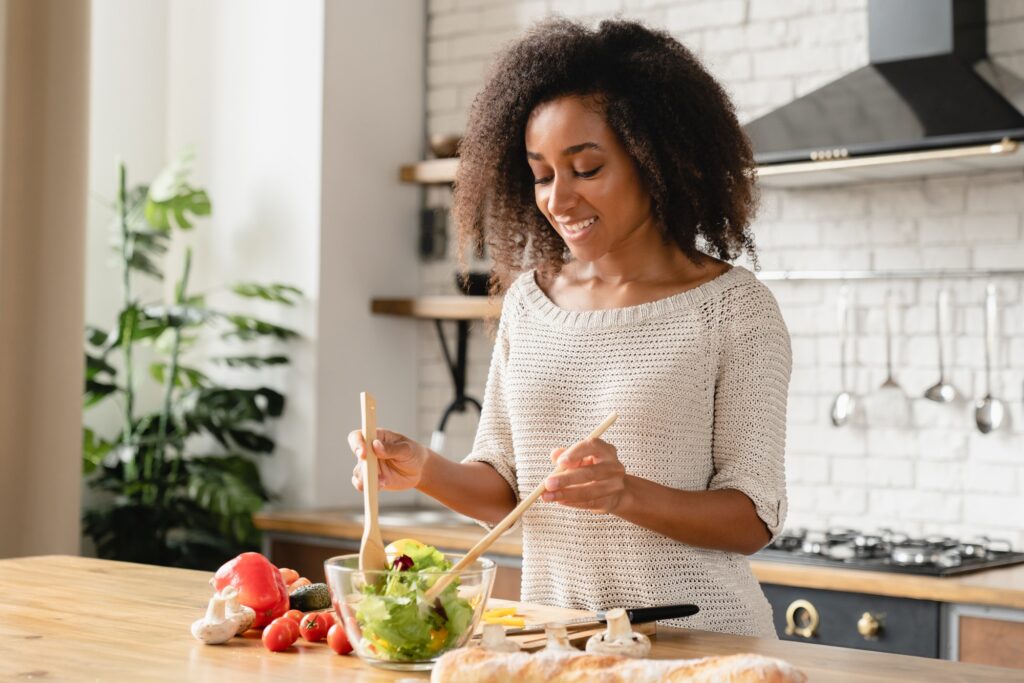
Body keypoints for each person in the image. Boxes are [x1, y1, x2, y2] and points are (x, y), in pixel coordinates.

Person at [349, 17, 791, 638]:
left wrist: (625, 493)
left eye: (585, 169)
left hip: (699, 644)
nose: (558, 199)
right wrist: (422, 467)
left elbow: (753, 519)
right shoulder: (530, 303)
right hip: (558, 641)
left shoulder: (733, 311)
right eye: (542, 173)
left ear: (656, 160)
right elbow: (507, 493)